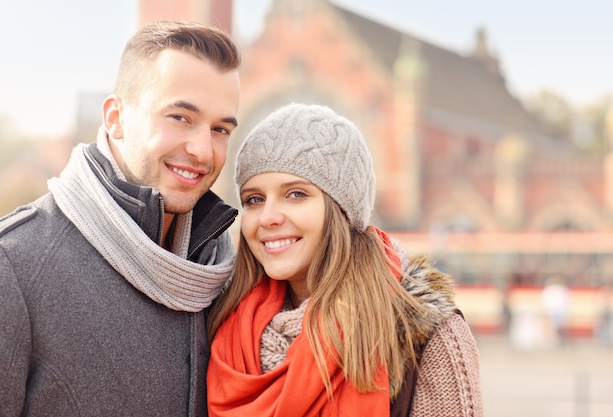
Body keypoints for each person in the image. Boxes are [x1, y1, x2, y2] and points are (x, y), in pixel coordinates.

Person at [0, 21, 241, 416]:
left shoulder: (225, 275)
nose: (204, 151)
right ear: (116, 118)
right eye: (180, 117)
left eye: (220, 128)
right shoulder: (10, 264)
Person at [206, 103, 483, 416]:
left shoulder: (423, 335)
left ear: (342, 210)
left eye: (296, 194)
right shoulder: (221, 327)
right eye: (254, 200)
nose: (267, 217)